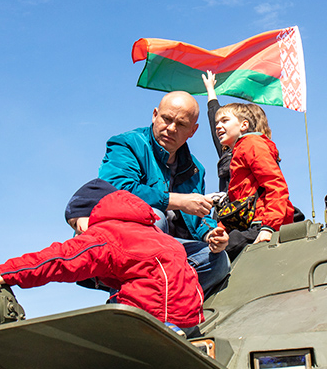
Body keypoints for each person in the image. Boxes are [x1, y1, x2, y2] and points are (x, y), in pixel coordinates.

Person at [0, 178, 204, 330]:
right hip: (189, 317)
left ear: (93, 211)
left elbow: (59, 259)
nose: (78, 230)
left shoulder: (106, 235)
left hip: (151, 318)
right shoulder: (151, 231)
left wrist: (6, 272)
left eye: (76, 223)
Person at [97, 91, 229, 293]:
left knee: (218, 260)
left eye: (182, 124)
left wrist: (213, 234)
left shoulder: (196, 169)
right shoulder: (126, 144)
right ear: (154, 115)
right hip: (117, 242)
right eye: (166, 119)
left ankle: (153, 298)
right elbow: (116, 191)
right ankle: (134, 299)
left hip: (168, 250)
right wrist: (177, 200)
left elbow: (196, 219)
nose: (171, 128)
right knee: (152, 216)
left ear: (193, 131)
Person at [213, 101, 295, 258]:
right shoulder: (239, 151)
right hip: (250, 223)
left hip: (262, 223)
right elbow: (239, 204)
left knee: (216, 255)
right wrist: (219, 230)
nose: (217, 126)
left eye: (224, 120)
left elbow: (275, 185)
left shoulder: (251, 144)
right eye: (216, 122)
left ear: (244, 125)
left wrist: (268, 227)